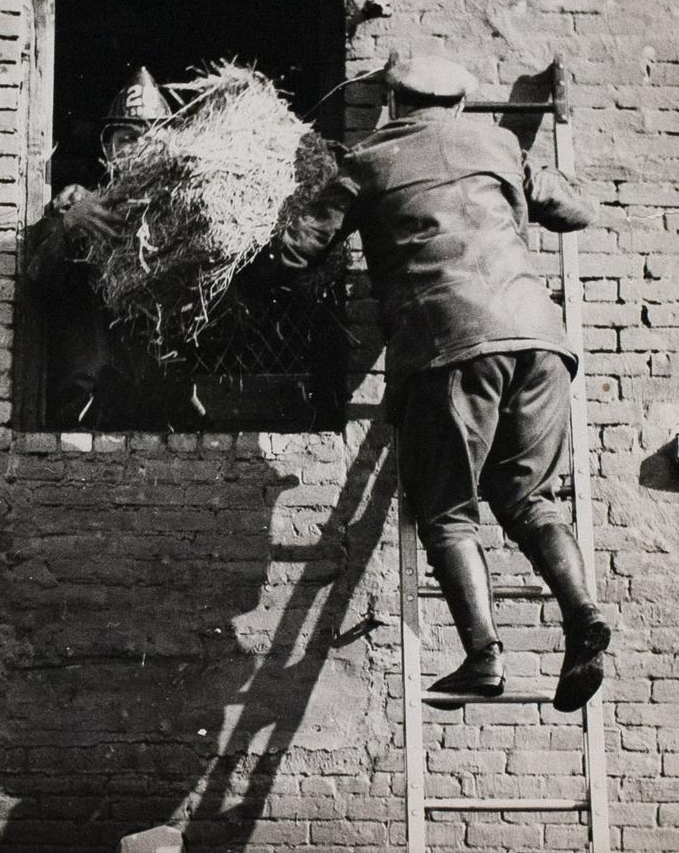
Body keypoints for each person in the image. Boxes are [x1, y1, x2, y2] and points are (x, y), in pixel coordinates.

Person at [261, 54, 611, 713]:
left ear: (396, 100)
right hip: (541, 342)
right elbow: (574, 213)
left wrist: (242, 275)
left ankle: (483, 658)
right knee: (527, 496)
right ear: (456, 103)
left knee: (449, 511)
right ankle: (583, 611)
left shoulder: (368, 161)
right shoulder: (500, 143)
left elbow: (295, 250)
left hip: (447, 345)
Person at [27, 67, 189, 430]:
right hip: (83, 414)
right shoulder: (78, 208)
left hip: (155, 417)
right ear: (107, 148)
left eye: (151, 139)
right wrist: (68, 226)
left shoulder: (180, 220)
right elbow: (37, 279)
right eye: (127, 138)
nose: (138, 149)